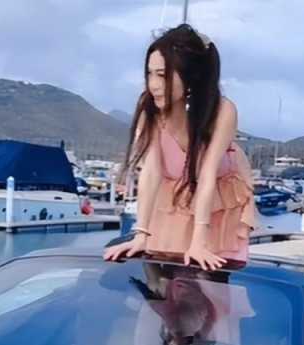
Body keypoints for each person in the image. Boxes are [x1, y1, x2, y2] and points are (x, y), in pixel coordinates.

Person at [103, 24, 256, 271]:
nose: (153, 84)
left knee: (209, 281)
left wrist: (198, 242)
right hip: (174, 200)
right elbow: (151, 171)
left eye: (162, 75)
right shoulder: (149, 107)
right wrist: (141, 234)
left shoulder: (222, 111)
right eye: (149, 74)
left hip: (219, 206)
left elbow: (206, 175)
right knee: (162, 281)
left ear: (190, 76)